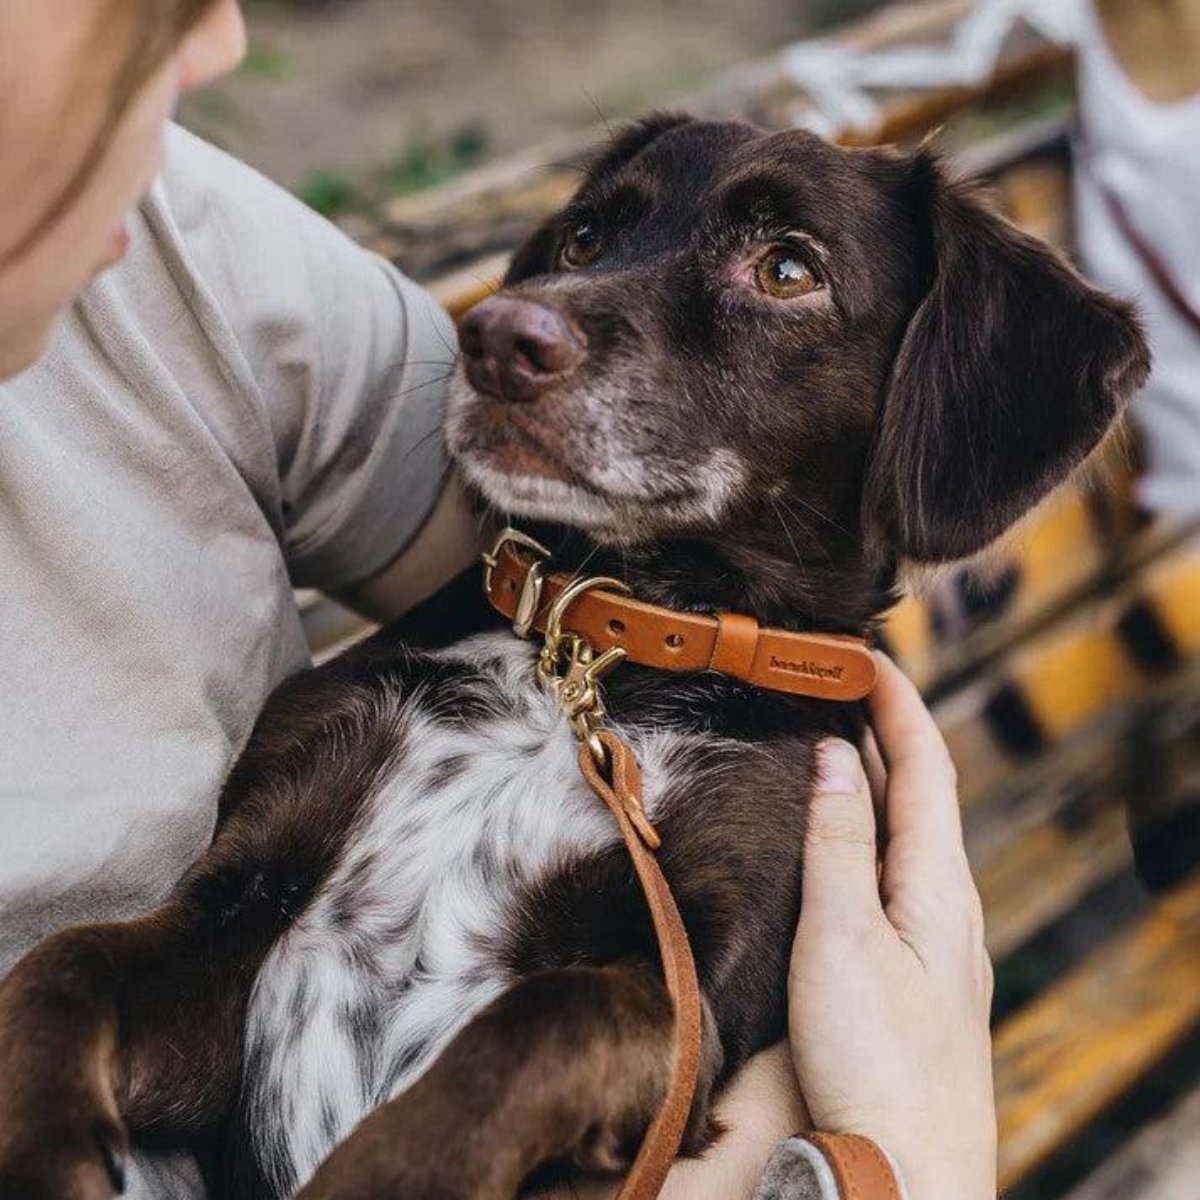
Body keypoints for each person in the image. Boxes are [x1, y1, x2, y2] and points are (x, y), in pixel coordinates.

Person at [0, 2, 997, 1197]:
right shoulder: (388, 688)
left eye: (783, 270)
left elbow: (689, 1026)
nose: (533, 321)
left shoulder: (166, 256)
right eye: (583, 249)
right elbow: (205, 978)